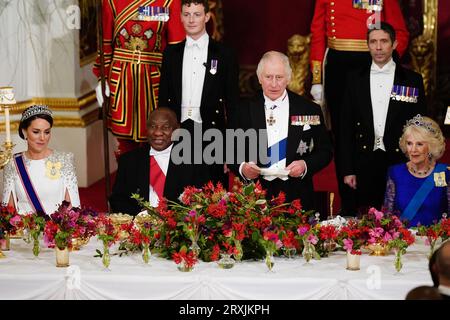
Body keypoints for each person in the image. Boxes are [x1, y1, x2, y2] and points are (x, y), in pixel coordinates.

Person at [310, 0, 409, 215]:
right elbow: (317, 32)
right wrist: (317, 78)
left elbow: (400, 31)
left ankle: (384, 200)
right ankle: (349, 203)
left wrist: (388, 65)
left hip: (373, 58)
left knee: (378, 128)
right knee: (343, 132)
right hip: (338, 66)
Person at [339, 22, 426, 215]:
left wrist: (419, 164)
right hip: (364, 161)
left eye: (384, 41)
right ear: (367, 45)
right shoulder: (354, 79)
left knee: (400, 218)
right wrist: (347, 169)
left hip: (401, 160)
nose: (378, 47)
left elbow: (421, 127)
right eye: (373, 42)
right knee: (367, 222)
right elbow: (345, 128)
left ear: (394, 44)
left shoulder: (413, 80)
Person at [230, 51, 332, 210]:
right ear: (259, 78)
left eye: (279, 77)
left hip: (297, 194)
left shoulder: (309, 109)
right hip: (255, 195)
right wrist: (242, 168)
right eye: (268, 77)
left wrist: (305, 165)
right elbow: (229, 149)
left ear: (289, 77)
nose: (274, 84)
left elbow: (325, 150)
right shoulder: (242, 110)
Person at [158, 0, 239, 189]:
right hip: (178, 133)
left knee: (214, 200)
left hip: (213, 134)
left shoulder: (225, 54)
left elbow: (233, 105)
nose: (191, 20)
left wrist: (230, 151)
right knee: (177, 195)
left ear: (207, 17)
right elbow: (163, 100)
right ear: (180, 18)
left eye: (197, 14)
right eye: (186, 14)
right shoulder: (171, 53)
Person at [93, 0, 185, 156]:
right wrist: (102, 78)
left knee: (157, 134)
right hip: (122, 78)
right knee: (124, 142)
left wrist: (177, 85)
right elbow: (106, 46)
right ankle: (127, 177)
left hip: (155, 78)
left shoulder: (170, 2)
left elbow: (177, 50)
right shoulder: (111, 2)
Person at [109, 108, 192, 215]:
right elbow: (117, 200)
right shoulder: (129, 160)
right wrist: (140, 215)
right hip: (138, 225)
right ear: (146, 129)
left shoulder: (191, 161)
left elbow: (199, 201)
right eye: (153, 126)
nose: (157, 132)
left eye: (165, 127)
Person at [2, 105, 80, 215]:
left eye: (47, 132)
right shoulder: (12, 164)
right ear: (24, 132)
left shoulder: (65, 160)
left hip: (58, 230)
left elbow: (73, 208)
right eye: (36, 132)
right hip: (24, 230)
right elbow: (8, 210)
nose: (42, 138)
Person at [384, 115, 448, 227]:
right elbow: (387, 216)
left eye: (419, 144)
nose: (413, 150)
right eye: (409, 143)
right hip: (403, 241)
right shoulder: (395, 172)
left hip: (436, 241)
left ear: (431, 146)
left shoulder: (445, 173)